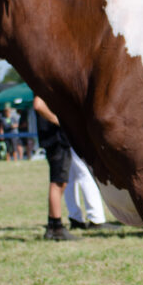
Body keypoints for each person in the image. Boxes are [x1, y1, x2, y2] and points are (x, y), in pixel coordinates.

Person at [32, 96, 81, 241]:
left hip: (56, 139)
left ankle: (53, 226)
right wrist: (56, 120)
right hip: (56, 139)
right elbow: (38, 104)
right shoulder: (42, 84)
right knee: (58, 182)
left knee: (60, 182)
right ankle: (55, 227)